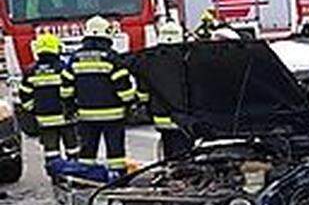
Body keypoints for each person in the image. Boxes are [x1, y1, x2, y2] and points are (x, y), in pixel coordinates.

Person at [70, 16, 136, 173]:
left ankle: (85, 177)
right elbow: (123, 87)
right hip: (113, 116)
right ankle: (117, 177)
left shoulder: (75, 58)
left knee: (87, 151)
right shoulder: (112, 58)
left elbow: (66, 87)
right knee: (115, 152)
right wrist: (129, 104)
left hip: (85, 115)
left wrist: (70, 107)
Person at [18, 32, 79, 163]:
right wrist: (73, 107)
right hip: (65, 118)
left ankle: (55, 174)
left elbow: (24, 94)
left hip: (44, 119)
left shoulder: (31, 71)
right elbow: (73, 90)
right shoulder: (63, 69)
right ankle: (74, 173)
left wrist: (34, 109)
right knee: (72, 148)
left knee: (51, 151)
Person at [143, 21, 193, 159]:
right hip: (182, 119)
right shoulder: (186, 60)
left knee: (168, 151)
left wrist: (148, 107)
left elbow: (143, 92)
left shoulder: (150, 62)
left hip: (161, 117)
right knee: (184, 154)